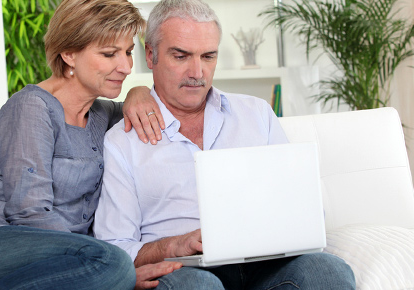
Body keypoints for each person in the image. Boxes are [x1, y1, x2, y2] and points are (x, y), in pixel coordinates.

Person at [94, 0, 356, 289]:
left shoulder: (257, 114)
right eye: (181, 56)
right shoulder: (123, 140)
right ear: (151, 55)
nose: (197, 72)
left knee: (327, 271)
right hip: (183, 271)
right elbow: (115, 248)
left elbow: (302, 211)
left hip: (263, 267)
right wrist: (173, 246)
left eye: (208, 56)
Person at [0, 0, 166, 289]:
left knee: (147, 274)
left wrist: (139, 91)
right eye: (108, 54)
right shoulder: (32, 107)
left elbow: (136, 108)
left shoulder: (102, 114)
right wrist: (107, 266)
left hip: (64, 259)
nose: (126, 66)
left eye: (128, 52)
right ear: (68, 54)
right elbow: (29, 213)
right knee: (116, 265)